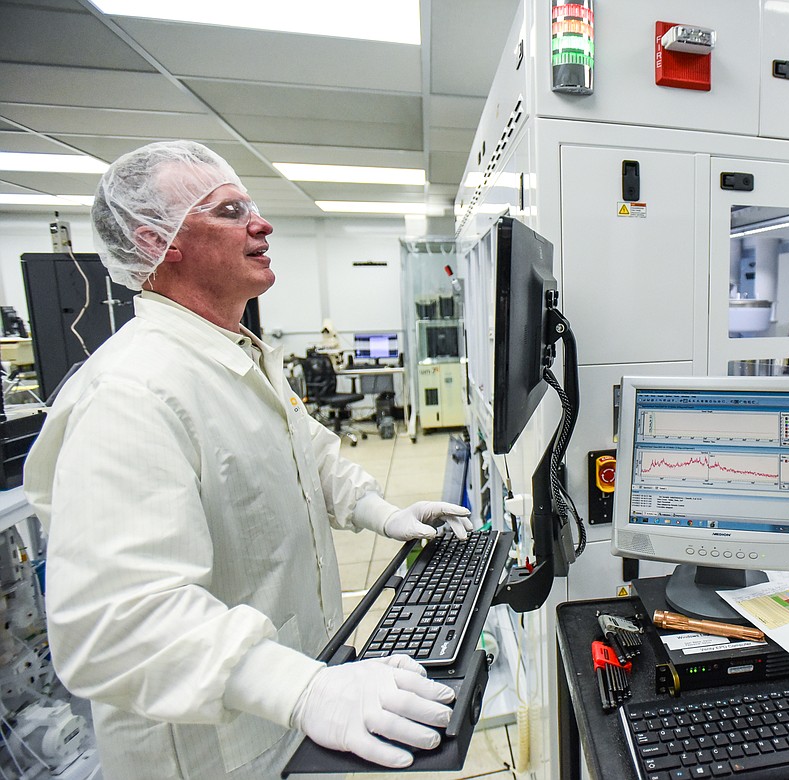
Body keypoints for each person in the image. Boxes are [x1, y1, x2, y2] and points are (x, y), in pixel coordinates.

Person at [23, 140, 475, 779]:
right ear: (158, 242)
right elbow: (113, 619)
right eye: (229, 210)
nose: (261, 223)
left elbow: (305, 456)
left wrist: (379, 511)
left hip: (280, 717)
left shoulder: (231, 352)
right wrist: (304, 689)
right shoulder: (133, 391)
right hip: (211, 753)